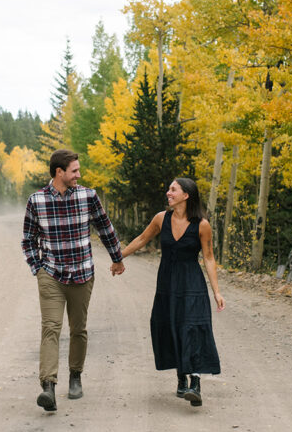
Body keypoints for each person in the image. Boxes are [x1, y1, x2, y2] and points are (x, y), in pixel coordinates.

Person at [22, 149, 125, 412]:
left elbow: (105, 227)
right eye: (74, 171)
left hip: (82, 273)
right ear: (60, 172)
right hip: (51, 274)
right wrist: (38, 268)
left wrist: (117, 258)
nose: (79, 175)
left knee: (78, 329)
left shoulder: (88, 196)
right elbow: (28, 240)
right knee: (51, 327)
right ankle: (48, 387)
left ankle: (75, 376)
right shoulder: (37, 201)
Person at [120, 178, 225, 406]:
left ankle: (195, 383)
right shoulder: (161, 219)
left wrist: (216, 291)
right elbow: (141, 239)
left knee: (193, 328)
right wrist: (119, 258)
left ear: (186, 195)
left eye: (173, 189)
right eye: (169, 189)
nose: (168, 192)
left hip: (192, 283)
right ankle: (181, 376)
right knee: (171, 326)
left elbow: (208, 257)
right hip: (167, 282)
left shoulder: (202, 225)